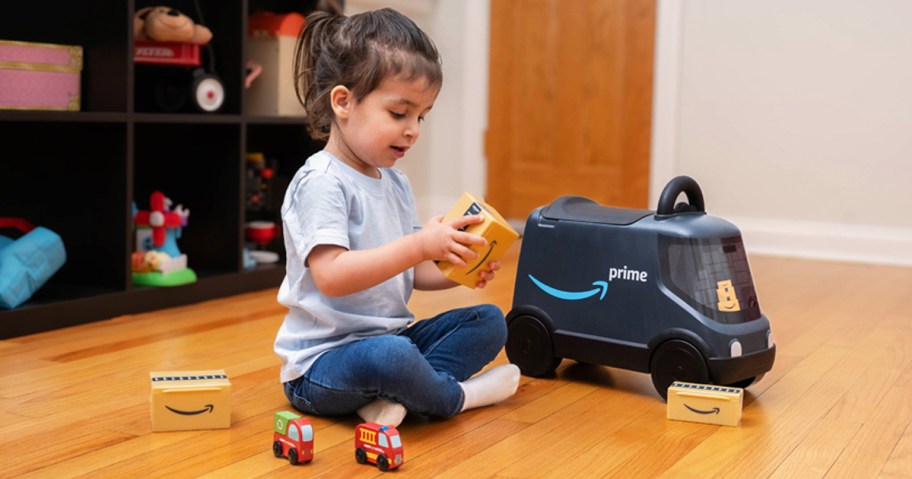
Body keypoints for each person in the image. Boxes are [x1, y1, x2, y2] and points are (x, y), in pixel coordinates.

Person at [274, 5, 520, 427]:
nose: (414, 130)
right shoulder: (321, 182)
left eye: (421, 116)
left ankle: (396, 396)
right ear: (343, 101)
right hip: (322, 365)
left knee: (490, 320)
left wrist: (454, 267)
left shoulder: (395, 183)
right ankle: (454, 398)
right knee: (391, 356)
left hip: (391, 342)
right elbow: (332, 276)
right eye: (399, 113)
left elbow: (410, 273)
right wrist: (418, 244)